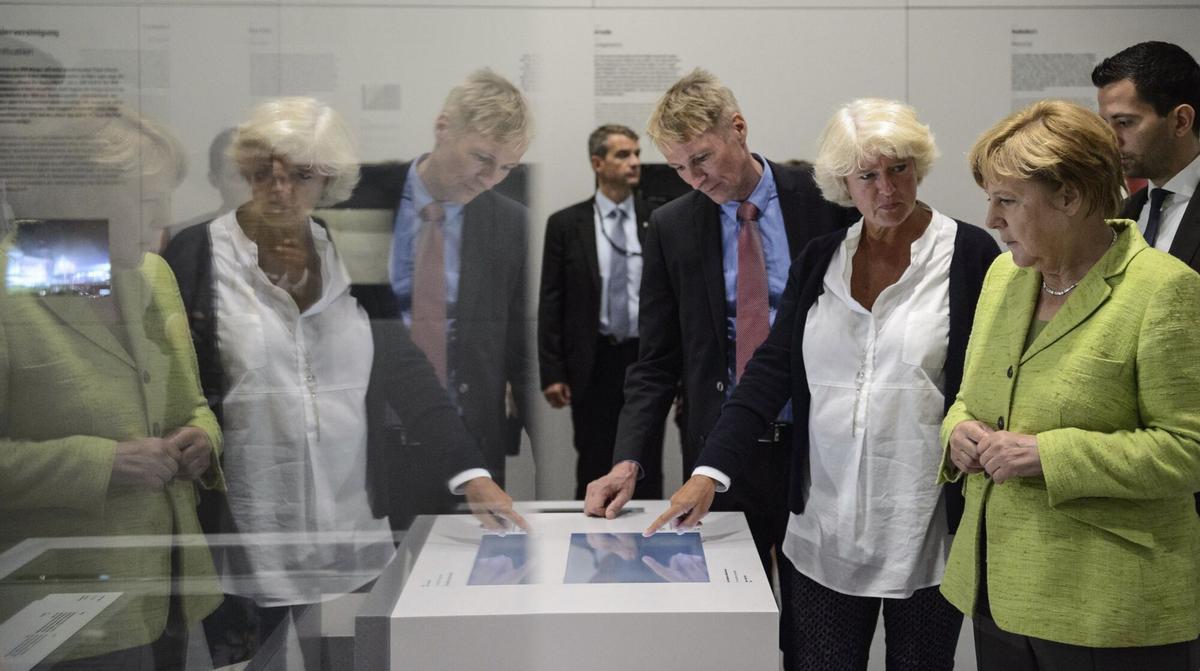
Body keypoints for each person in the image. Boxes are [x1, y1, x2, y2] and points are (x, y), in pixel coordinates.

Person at [162, 97, 525, 664]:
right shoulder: (197, 255)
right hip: (246, 533)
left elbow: (404, 370)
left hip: (349, 527)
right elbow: (173, 382)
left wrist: (469, 472)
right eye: (265, 172)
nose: (280, 189)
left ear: (329, 178)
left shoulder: (349, 249)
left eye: (302, 175)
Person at [648, 99, 998, 670]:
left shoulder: (970, 254)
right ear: (843, 183)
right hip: (823, 528)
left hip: (926, 523)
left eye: (899, 169)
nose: (887, 189)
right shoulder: (823, 258)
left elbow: (990, 373)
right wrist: (710, 472)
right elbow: (770, 370)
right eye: (868, 175)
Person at [940, 100, 1200, 669]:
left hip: (1108, 610)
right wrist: (956, 432)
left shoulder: (1164, 290)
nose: (991, 219)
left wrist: (1047, 455)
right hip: (998, 593)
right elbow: (971, 396)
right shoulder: (1005, 274)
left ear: (1070, 197)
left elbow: (1188, 450)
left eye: (1007, 200)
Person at [584, 69, 856, 581]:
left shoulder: (824, 201)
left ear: (738, 127)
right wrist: (628, 460)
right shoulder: (672, 227)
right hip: (720, 451)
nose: (695, 178)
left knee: (813, 627)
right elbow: (656, 362)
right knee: (731, 616)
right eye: (679, 167)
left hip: (818, 446)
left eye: (702, 158)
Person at [0, 104, 224, 668]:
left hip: (175, 589)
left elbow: (191, 405)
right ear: (78, 194)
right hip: (69, 610)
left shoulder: (151, 273)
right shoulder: (8, 293)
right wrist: (103, 464)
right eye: (149, 199)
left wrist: (202, 437)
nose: (167, 216)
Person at [338, 70, 535, 521]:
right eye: (481, 158)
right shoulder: (361, 197)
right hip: (370, 432)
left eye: (507, 168)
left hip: (470, 440)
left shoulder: (509, 223)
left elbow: (519, 348)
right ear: (444, 127)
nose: (490, 178)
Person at [538, 124, 664, 500]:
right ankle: (591, 546)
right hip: (592, 360)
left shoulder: (658, 219)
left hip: (646, 361)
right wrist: (553, 371)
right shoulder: (566, 224)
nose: (635, 162)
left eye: (637, 154)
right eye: (623, 155)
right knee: (593, 457)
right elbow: (552, 300)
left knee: (645, 461)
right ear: (597, 163)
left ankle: (645, 544)